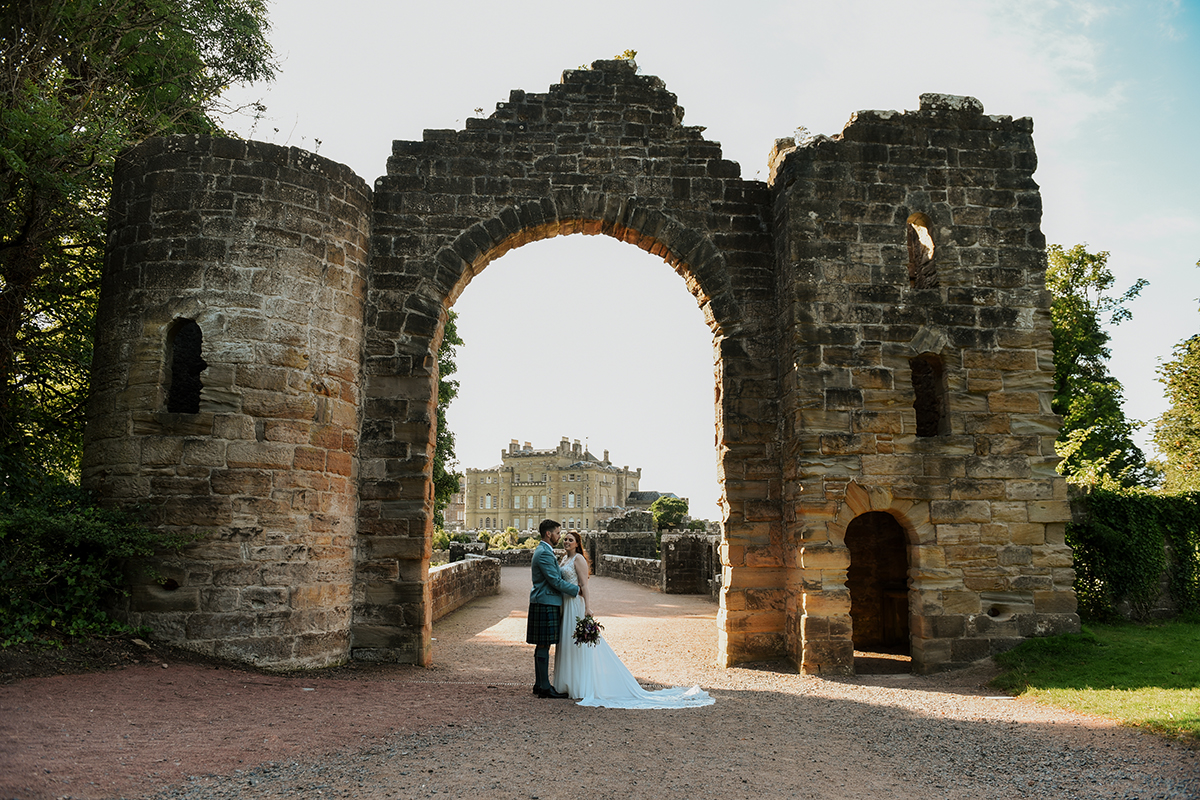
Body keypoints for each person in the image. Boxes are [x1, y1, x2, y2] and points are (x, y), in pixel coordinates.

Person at [552, 530, 715, 709]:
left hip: (575, 604)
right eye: (565, 539)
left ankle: (580, 685)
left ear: (577, 543)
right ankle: (568, 683)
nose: (566, 542)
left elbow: (585, 586)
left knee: (580, 646)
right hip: (565, 605)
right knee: (568, 642)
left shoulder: (579, 559)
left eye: (571, 540)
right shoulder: (564, 559)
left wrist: (587, 608)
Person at [527, 518, 580, 699]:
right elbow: (554, 581)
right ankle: (544, 687)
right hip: (545, 601)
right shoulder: (544, 553)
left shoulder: (545, 550)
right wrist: (577, 590)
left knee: (542, 645)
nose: (560, 537)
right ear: (548, 534)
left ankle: (539, 684)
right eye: (558, 533)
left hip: (544, 601)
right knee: (543, 645)